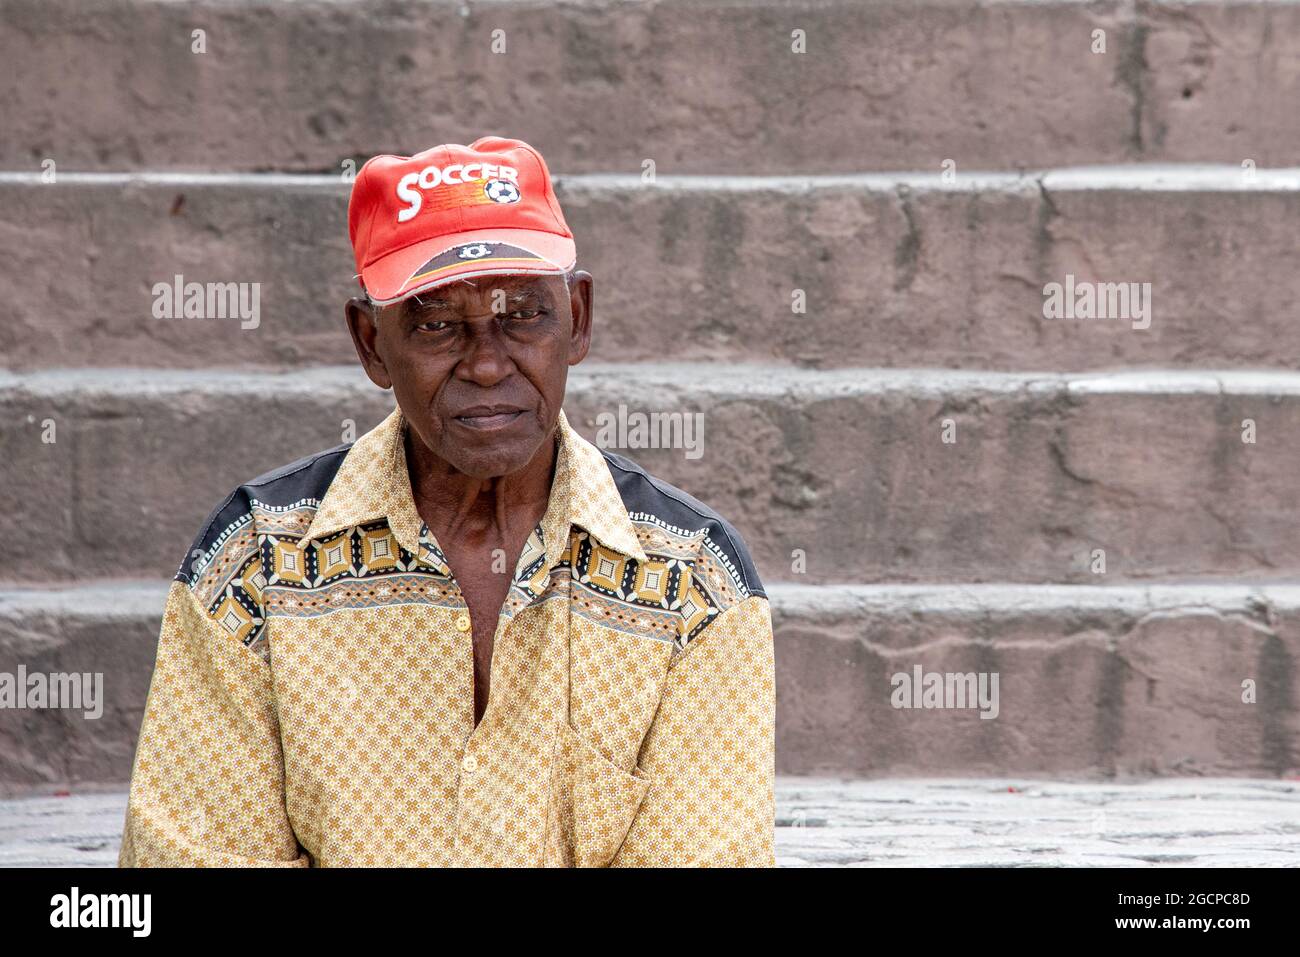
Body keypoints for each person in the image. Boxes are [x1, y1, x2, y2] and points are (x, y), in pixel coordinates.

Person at [118, 136, 775, 867]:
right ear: (371, 342)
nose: (489, 363)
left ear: (578, 318)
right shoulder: (255, 566)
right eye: (436, 324)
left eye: (523, 314)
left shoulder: (693, 582)